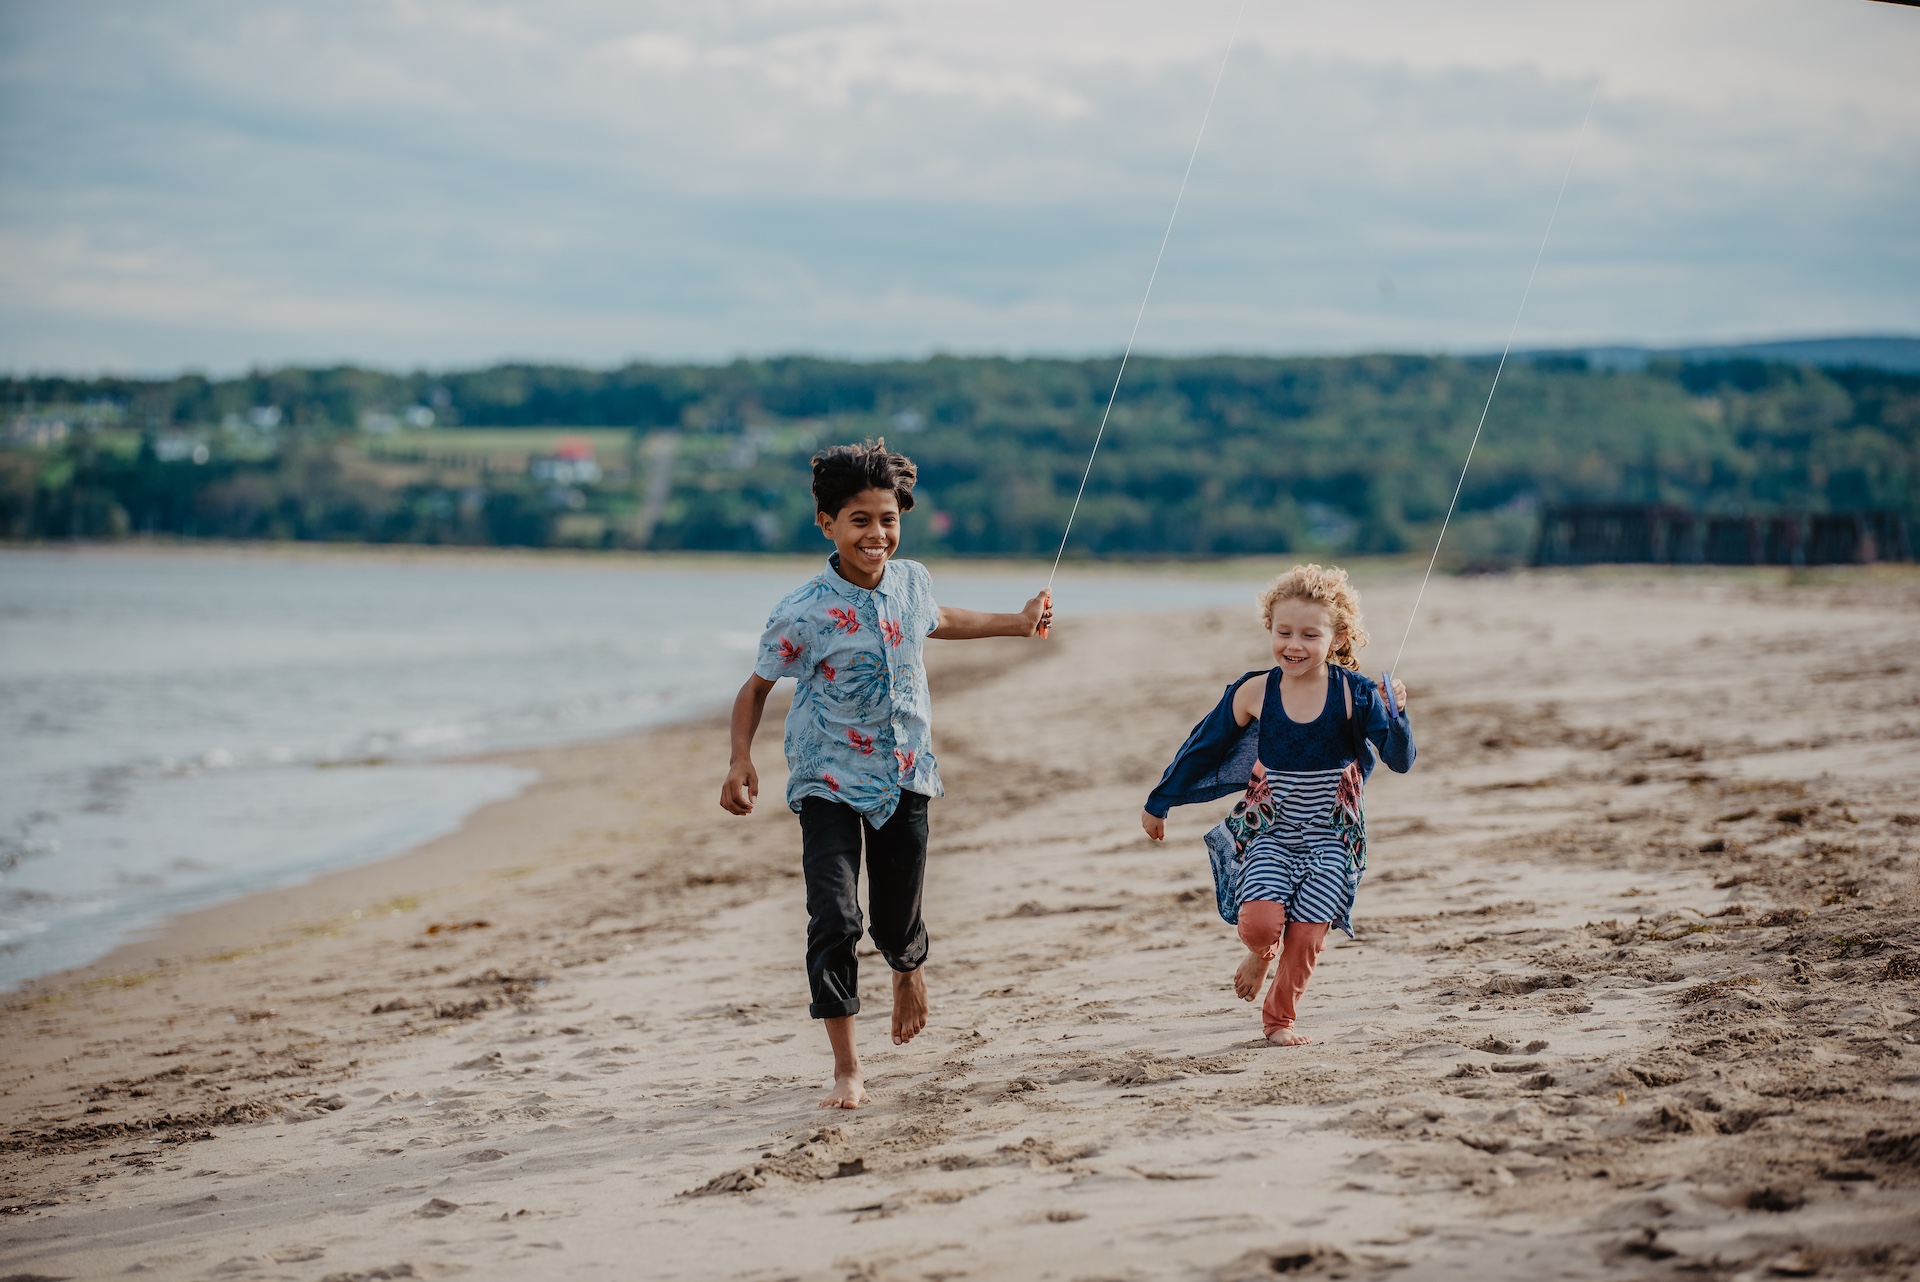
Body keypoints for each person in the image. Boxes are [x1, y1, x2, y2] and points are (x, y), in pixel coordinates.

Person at [720, 439, 1052, 1109]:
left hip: (906, 772)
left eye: (888, 520)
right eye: (860, 520)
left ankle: (907, 968)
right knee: (834, 917)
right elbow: (756, 688)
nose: (877, 535)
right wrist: (740, 760)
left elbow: (942, 619)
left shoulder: (912, 581)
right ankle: (847, 1065)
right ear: (827, 524)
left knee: (897, 919)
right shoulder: (801, 611)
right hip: (827, 781)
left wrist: (1017, 624)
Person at [1140, 564, 1414, 1045]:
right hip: (1270, 832)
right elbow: (1204, 746)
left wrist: (1399, 716)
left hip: (1332, 836)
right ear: (1269, 628)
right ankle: (1261, 954)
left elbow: (1400, 760)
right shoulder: (1255, 691)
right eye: (1283, 631)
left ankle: (1279, 1020)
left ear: (1338, 636)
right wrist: (1161, 801)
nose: (1294, 645)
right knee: (1261, 924)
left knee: (1308, 934)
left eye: (1310, 634)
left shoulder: (1357, 694)